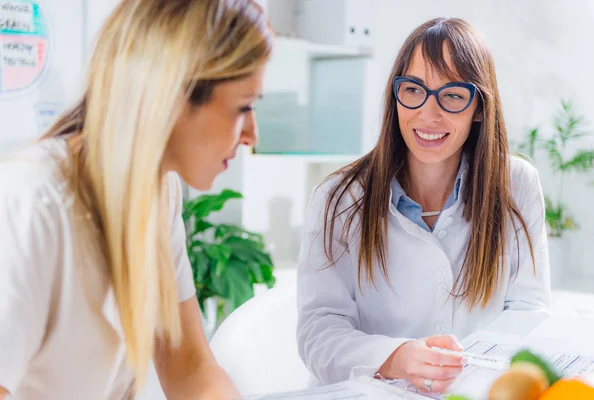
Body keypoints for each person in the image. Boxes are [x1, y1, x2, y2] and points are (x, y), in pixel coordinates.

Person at [0, 0, 271, 398]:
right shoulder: (32, 200)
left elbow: (188, 364)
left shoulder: (158, 192)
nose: (252, 136)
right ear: (173, 97)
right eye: (243, 107)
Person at [296, 17, 550, 395]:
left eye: (452, 95)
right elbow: (319, 334)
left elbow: (530, 312)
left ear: (479, 108)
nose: (428, 114)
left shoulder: (516, 185)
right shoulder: (338, 198)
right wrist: (396, 357)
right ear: (395, 95)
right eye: (414, 89)